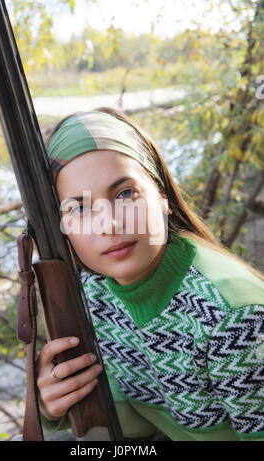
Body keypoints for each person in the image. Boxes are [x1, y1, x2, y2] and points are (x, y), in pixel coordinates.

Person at [35, 106, 264, 441]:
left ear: (162, 196)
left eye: (125, 193)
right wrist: (54, 405)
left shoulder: (234, 317)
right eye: (80, 208)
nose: (109, 224)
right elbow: (129, 426)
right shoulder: (95, 291)